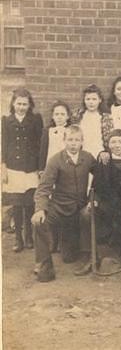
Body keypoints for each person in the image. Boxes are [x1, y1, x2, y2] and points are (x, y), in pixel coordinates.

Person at [31, 125, 96, 282]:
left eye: (77, 140)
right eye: (70, 140)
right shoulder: (55, 160)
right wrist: (40, 209)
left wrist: (93, 199)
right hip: (58, 207)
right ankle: (44, 265)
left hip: (78, 210)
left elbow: (101, 178)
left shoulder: (88, 158)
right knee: (39, 222)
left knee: (69, 258)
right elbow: (43, 188)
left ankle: (80, 252)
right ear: (64, 141)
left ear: (82, 142)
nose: (73, 143)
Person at [75, 129, 121, 275]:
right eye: (113, 142)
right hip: (109, 203)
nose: (117, 145)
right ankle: (91, 255)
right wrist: (93, 201)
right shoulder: (103, 160)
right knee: (86, 214)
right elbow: (96, 186)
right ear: (108, 144)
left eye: (120, 142)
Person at [2, 88, 43, 253]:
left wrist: (40, 167)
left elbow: (40, 144)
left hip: (30, 168)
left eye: (24, 104)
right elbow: (4, 145)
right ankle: (18, 238)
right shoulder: (6, 120)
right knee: (17, 204)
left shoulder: (35, 120)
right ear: (13, 103)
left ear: (29, 104)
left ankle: (29, 237)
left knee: (29, 203)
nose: (21, 107)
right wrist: (3, 165)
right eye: (18, 103)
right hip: (14, 168)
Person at [71, 84, 113, 159]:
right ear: (84, 100)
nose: (91, 102)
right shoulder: (78, 116)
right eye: (88, 99)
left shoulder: (106, 117)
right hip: (81, 154)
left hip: (99, 154)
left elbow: (109, 138)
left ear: (100, 100)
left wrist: (106, 152)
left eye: (94, 99)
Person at [39, 100, 71, 172]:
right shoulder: (47, 131)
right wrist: (41, 169)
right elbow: (43, 150)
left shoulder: (71, 130)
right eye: (56, 114)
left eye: (62, 114)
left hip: (67, 166)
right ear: (53, 116)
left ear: (67, 116)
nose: (59, 117)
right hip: (51, 164)